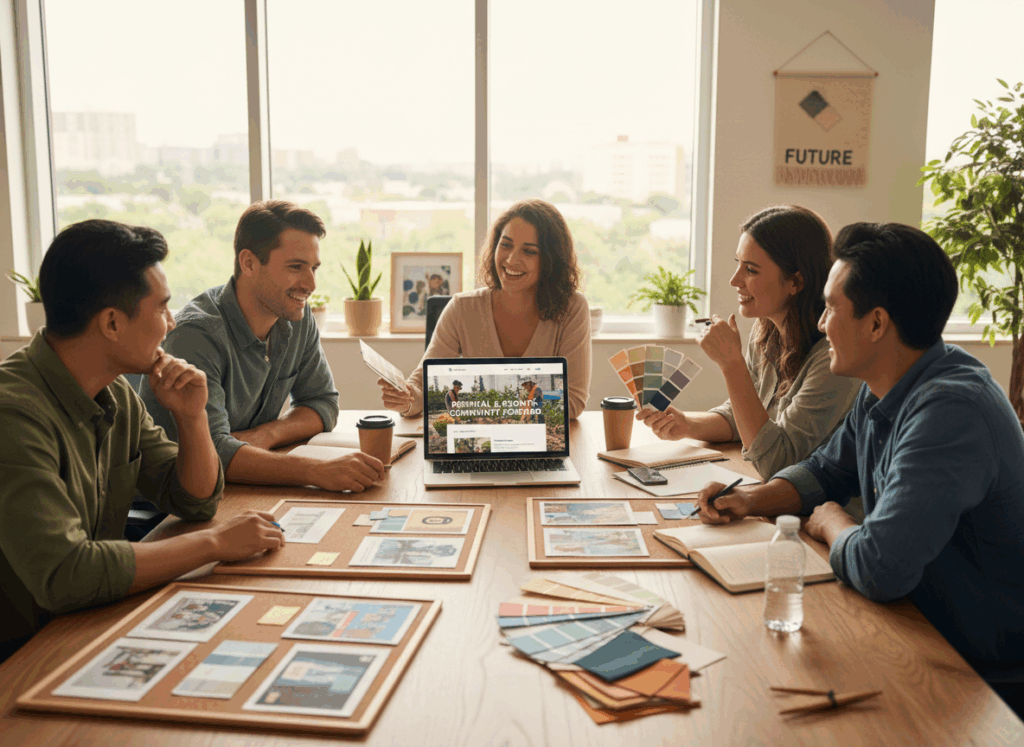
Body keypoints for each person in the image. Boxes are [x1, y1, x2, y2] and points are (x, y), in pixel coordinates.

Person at [695, 223, 1024, 686]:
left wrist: (832, 521)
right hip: (915, 626)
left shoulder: (951, 412)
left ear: (876, 324)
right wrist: (753, 500)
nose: (820, 323)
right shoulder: (887, 381)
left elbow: (879, 567)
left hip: (975, 668)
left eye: (830, 308)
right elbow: (824, 470)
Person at [0, 220, 285, 662]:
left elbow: (194, 501)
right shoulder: (12, 415)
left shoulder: (114, 391)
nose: (172, 323)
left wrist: (191, 418)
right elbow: (65, 574)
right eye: (162, 308)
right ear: (112, 322)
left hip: (83, 624)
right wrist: (214, 544)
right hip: (22, 651)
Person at [141, 201, 384, 493]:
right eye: (296, 267)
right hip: (172, 507)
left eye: (313, 268)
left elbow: (323, 403)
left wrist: (266, 435)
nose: (310, 284)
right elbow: (216, 450)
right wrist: (317, 471)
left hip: (243, 488)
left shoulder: (296, 315)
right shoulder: (195, 335)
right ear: (249, 263)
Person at [637, 205, 859, 479]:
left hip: (820, 510)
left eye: (751, 270)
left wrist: (732, 364)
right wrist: (687, 425)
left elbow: (776, 462)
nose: (734, 280)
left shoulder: (833, 357)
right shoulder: (764, 331)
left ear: (795, 281)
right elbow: (745, 415)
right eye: (738, 264)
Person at [378, 199, 591, 420]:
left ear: (551, 261)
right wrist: (406, 399)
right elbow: (421, 387)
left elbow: (573, 402)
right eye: (506, 245)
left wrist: (483, 405)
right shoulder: (462, 308)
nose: (511, 259)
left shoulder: (572, 308)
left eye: (529, 251)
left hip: (541, 440)